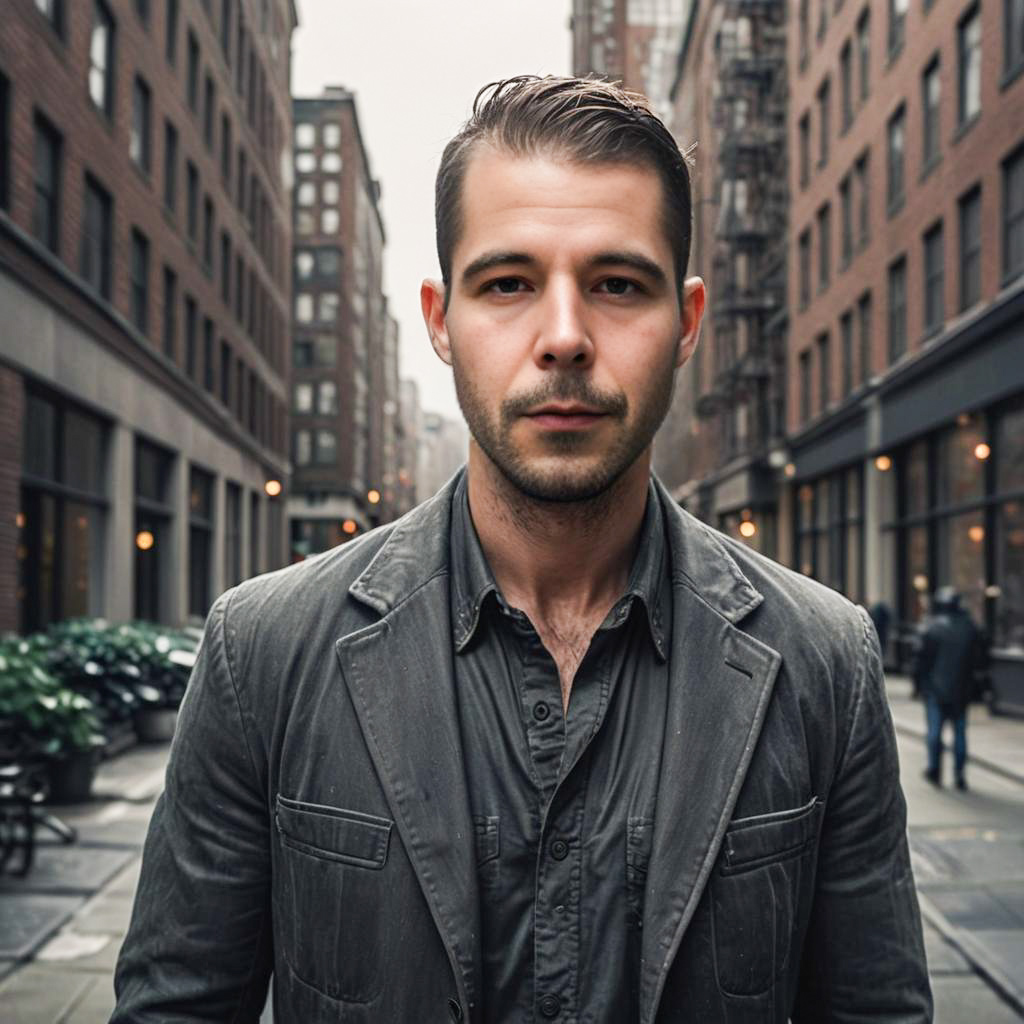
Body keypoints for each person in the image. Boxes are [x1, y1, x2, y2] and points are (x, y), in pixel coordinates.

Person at [111, 76, 931, 1023]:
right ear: (440, 321)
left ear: (689, 323)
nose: (566, 338)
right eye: (508, 284)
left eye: (618, 285)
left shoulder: (824, 659)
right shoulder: (262, 650)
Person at [914, 586, 986, 789]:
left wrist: (919, 685)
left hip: (936, 690)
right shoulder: (970, 627)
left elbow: (921, 660)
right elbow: (979, 659)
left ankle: (935, 770)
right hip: (961, 691)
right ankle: (959, 774)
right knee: (960, 733)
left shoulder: (932, 627)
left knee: (935, 732)